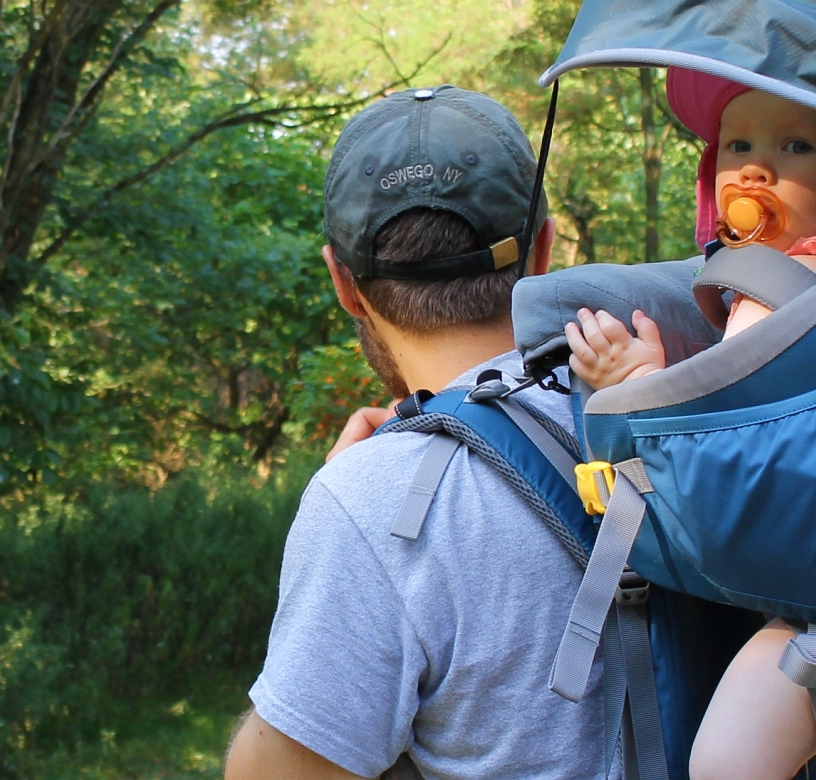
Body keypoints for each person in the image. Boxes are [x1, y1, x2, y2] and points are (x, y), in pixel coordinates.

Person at [225, 86, 612, 780]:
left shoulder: (367, 504)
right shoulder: (656, 395)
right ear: (543, 249)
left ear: (344, 282)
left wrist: (350, 505)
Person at [564, 69, 816, 780]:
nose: (756, 167)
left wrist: (637, 380)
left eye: (796, 145)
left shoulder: (785, 283)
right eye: (738, 146)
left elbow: (724, 433)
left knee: (728, 761)